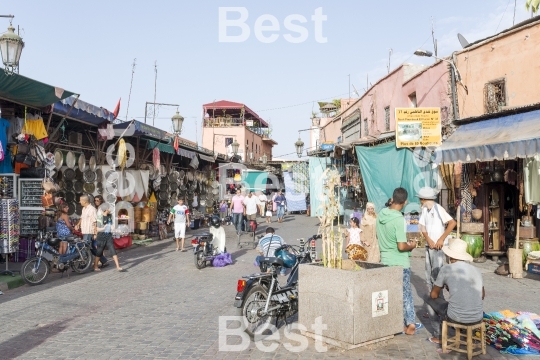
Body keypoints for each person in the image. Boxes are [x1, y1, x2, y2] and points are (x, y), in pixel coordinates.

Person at [377, 187, 422, 335]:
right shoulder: (399, 220)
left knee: (387, 294)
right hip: (400, 263)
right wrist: (413, 245)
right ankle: (410, 324)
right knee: (405, 294)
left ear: (392, 198)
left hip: (384, 261)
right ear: (405, 202)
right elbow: (402, 246)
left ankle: (389, 323)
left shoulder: (381, 215)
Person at [425, 238, 485, 344]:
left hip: (455, 317)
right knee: (466, 304)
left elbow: (434, 295)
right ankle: (468, 334)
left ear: (450, 256)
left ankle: (439, 336)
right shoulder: (476, 270)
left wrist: (444, 286)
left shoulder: (446, 269)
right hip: (478, 317)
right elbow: (482, 295)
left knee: (429, 300)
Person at [417, 187, 457, 292]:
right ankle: (431, 294)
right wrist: (428, 239)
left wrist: (441, 239)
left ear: (423, 199)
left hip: (438, 246)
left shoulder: (438, 208)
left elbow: (452, 223)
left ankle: (438, 295)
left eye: (420, 199)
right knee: (428, 271)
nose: (420, 202)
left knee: (437, 272)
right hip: (429, 244)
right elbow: (422, 226)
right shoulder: (424, 210)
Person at [75, 195, 108, 268]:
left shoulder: (92, 209)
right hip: (85, 230)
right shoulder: (84, 208)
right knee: (92, 248)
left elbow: (95, 222)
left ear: (85, 201)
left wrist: (95, 233)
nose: (79, 202)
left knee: (84, 248)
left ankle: (83, 265)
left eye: (80, 200)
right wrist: (78, 224)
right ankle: (104, 260)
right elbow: (82, 218)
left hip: (89, 231)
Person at [93, 203, 125, 272]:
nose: (110, 209)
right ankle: (95, 266)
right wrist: (104, 228)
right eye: (109, 208)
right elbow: (97, 229)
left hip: (108, 236)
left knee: (113, 250)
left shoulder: (110, 216)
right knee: (99, 252)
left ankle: (118, 266)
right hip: (101, 236)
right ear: (106, 210)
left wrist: (118, 232)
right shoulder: (99, 218)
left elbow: (112, 227)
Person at [93, 196, 110, 267]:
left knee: (99, 245)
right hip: (99, 228)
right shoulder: (97, 208)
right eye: (95, 200)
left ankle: (101, 260)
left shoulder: (102, 208)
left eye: (98, 200)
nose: (96, 202)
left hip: (101, 228)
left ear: (101, 201)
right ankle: (102, 259)